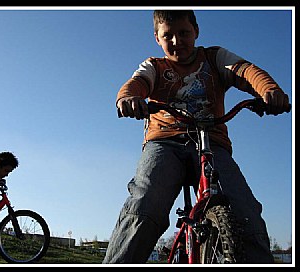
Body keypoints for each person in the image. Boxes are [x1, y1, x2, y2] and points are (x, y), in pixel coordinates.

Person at [103, 10, 290, 264]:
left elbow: (245, 70)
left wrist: (269, 90)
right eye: (167, 35)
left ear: (196, 31)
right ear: (157, 38)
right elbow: (137, 83)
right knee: (145, 203)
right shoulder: (155, 67)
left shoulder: (214, 58)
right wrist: (128, 98)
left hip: (212, 144)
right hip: (165, 142)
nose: (177, 41)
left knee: (245, 212)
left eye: (183, 33)